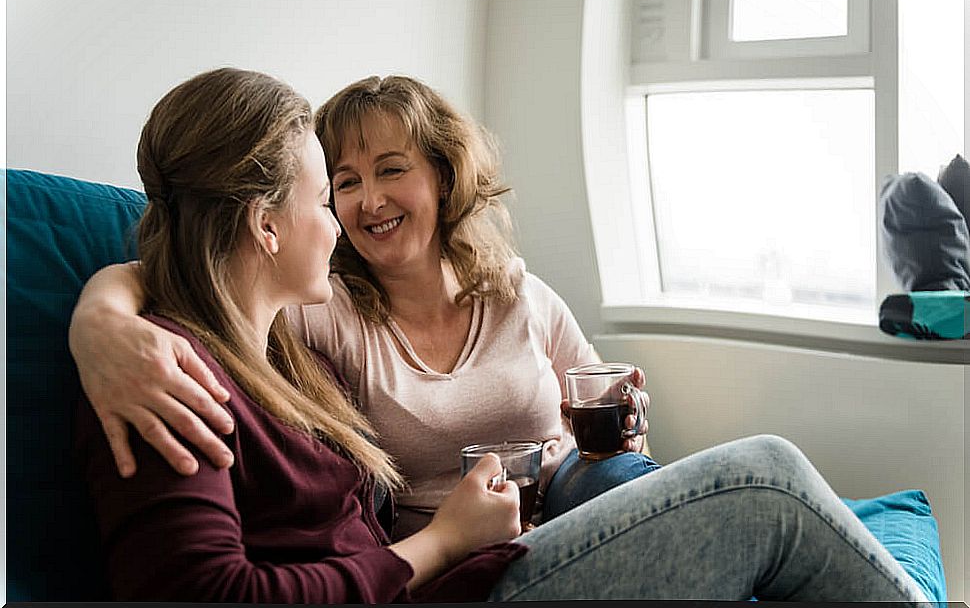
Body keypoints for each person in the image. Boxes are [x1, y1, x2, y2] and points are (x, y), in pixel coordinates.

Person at [76, 67, 928, 602]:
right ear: (269, 223)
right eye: (327, 192)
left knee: (668, 480)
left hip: (493, 547)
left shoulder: (268, 355)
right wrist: (102, 322)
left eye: (388, 172)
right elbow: (172, 267)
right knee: (769, 477)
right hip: (452, 569)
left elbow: (193, 267)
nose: (343, 218)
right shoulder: (191, 368)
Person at [70, 75, 660, 537]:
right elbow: (184, 272)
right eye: (343, 183)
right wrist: (99, 322)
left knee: (628, 479)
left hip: (571, 504)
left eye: (392, 170)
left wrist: (625, 423)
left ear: (443, 176)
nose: (369, 200)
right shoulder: (322, 303)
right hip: (454, 556)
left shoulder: (519, 293)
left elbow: (608, 418)